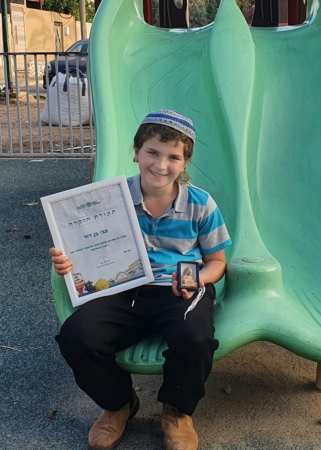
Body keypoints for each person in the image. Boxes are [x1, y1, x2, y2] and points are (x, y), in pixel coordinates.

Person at [49, 110, 231, 450]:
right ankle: (119, 403)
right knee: (77, 336)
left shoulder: (201, 204)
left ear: (184, 161)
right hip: (122, 288)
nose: (161, 165)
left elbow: (217, 262)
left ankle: (177, 411)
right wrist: (68, 263)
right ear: (136, 152)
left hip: (178, 289)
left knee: (194, 339)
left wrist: (197, 279)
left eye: (173, 157)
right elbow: (85, 250)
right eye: (153, 153)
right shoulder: (109, 200)